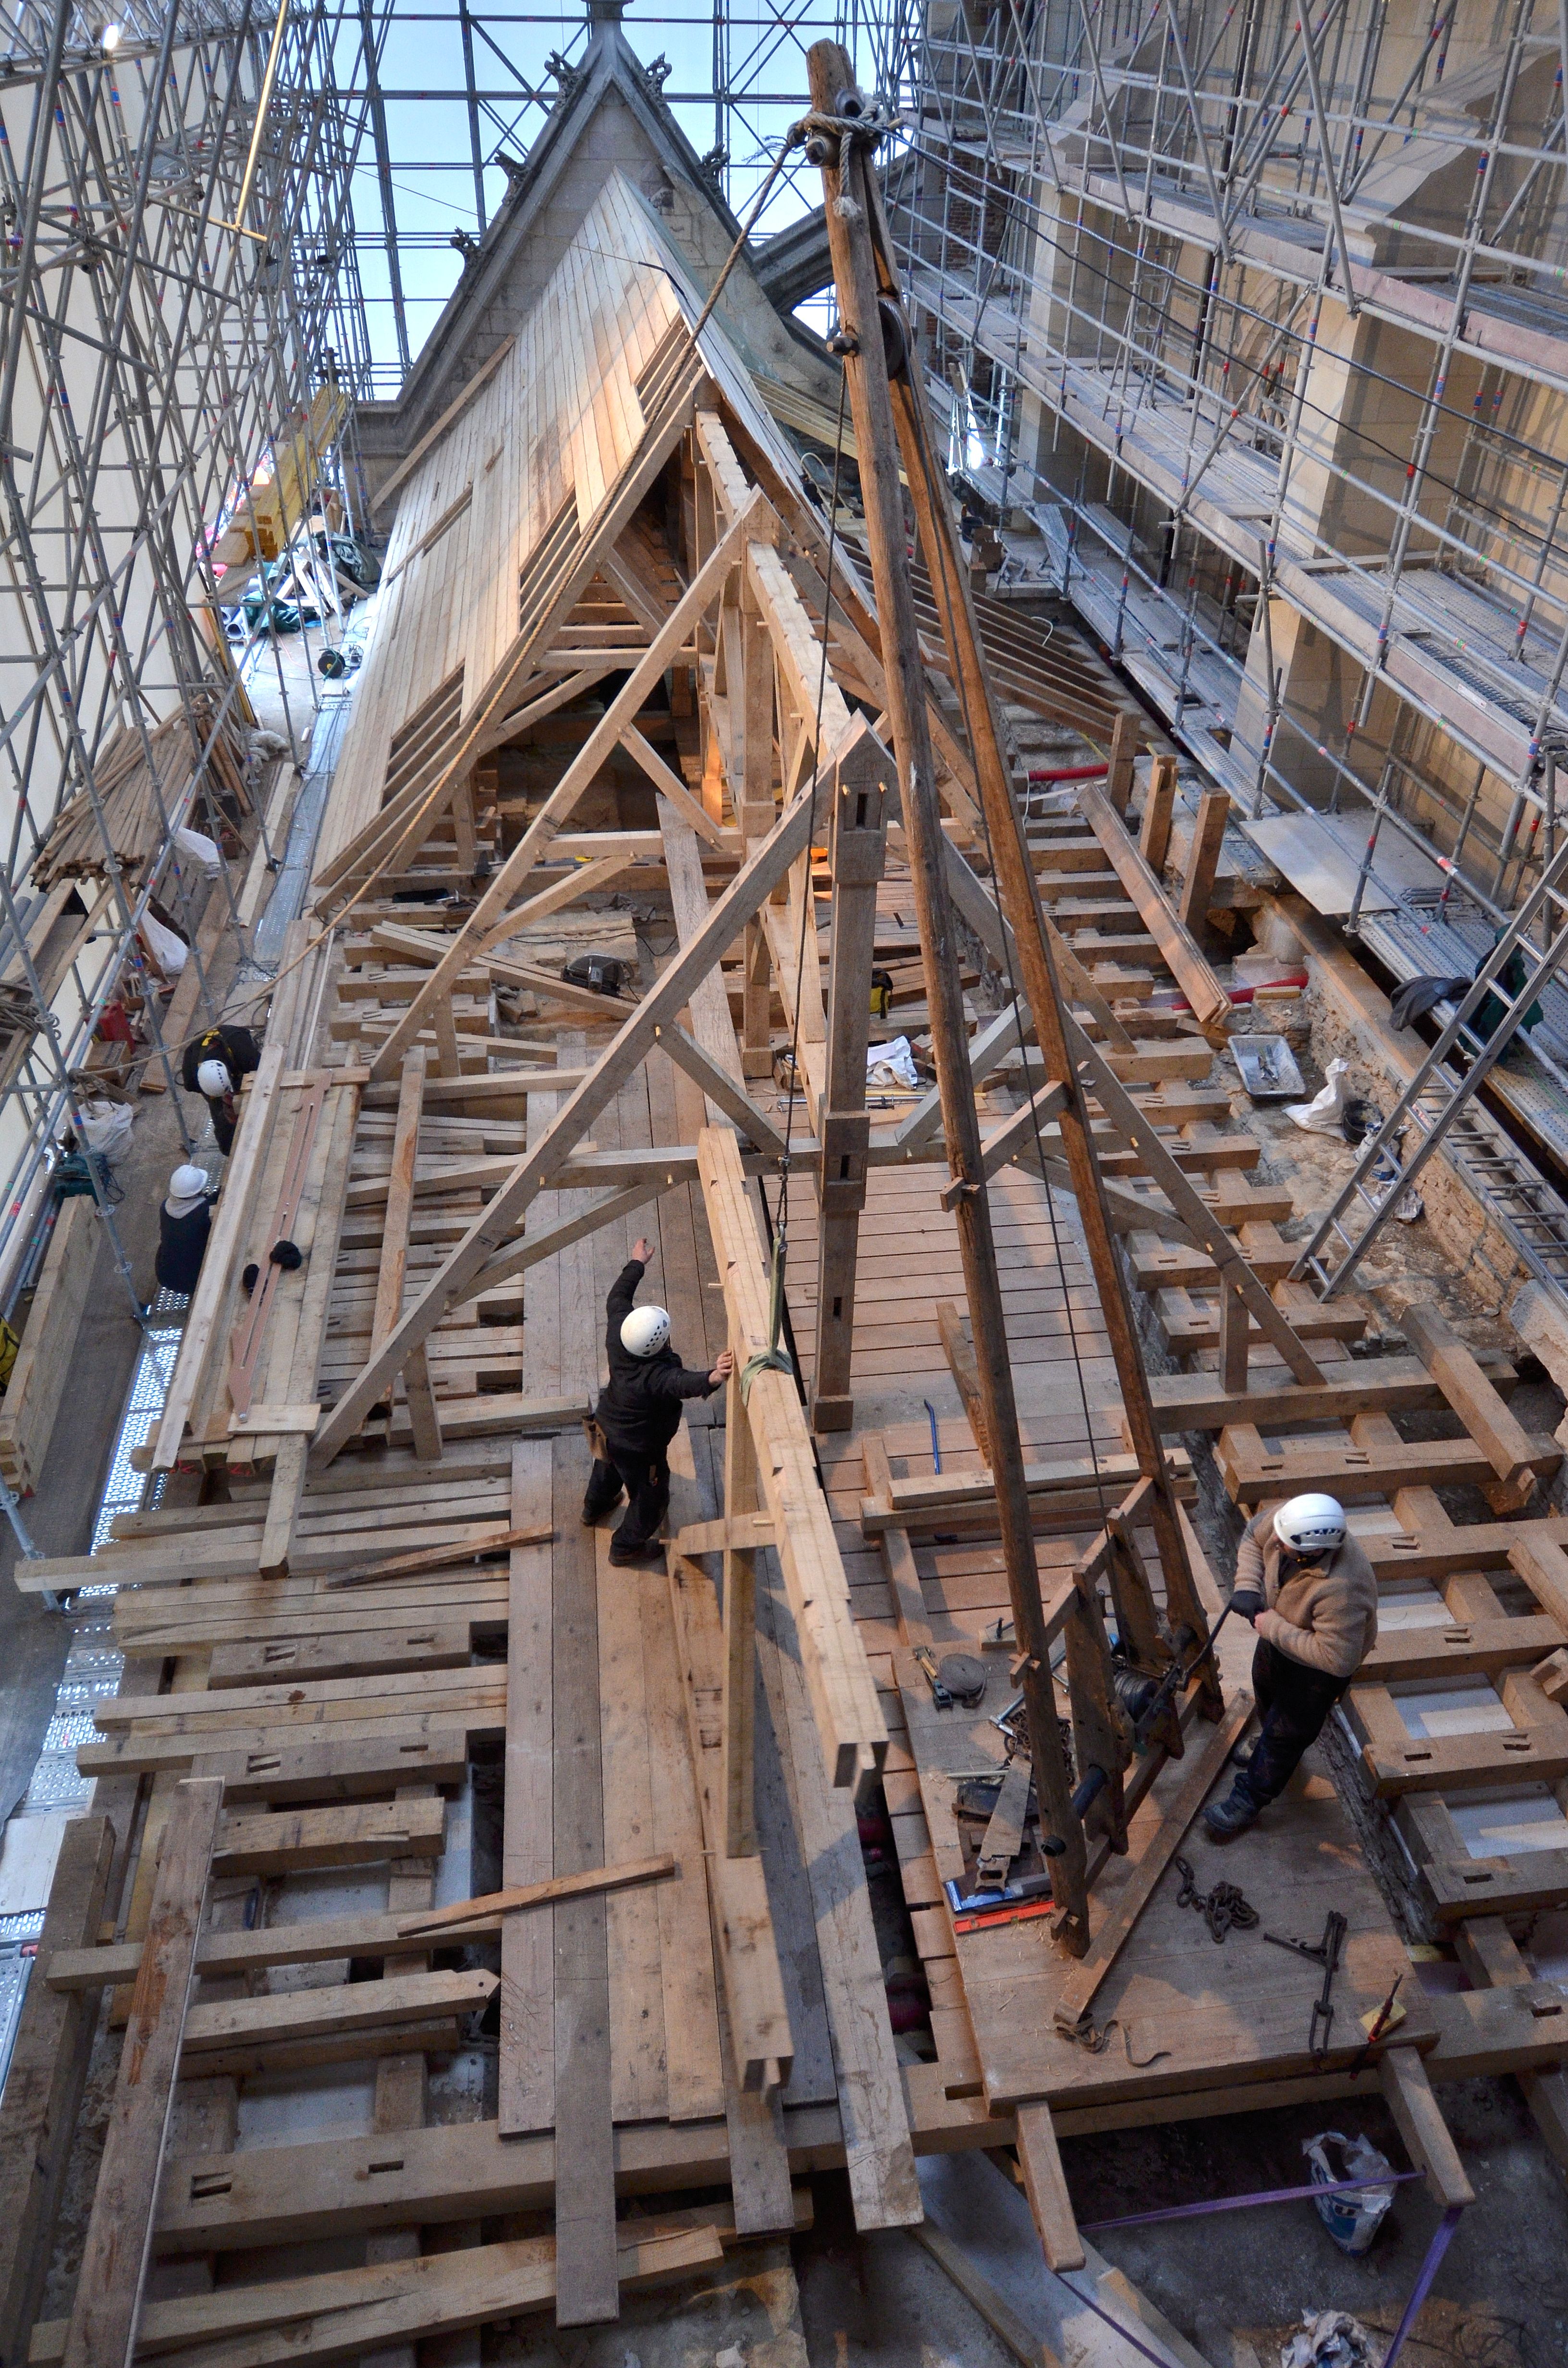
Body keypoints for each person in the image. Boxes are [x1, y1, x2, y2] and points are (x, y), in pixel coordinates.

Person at [1204, 1492, 1379, 1840]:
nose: (1276, 1544)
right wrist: (1247, 1585)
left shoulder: (1344, 1589)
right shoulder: (1291, 1523)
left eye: (1284, 1545)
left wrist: (1271, 1626)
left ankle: (1249, 1798)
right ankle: (1266, 1743)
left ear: (1313, 1550)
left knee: (1286, 1734)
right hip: (1280, 1636)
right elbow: (1255, 1536)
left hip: (1318, 1671)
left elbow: (1337, 1659)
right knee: (1265, 1690)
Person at [582, 1236, 734, 1566]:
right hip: (639, 1448)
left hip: (605, 1425)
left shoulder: (618, 1330)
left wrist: (637, 1263)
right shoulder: (655, 1378)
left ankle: (593, 1508)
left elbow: (618, 1296)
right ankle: (625, 1548)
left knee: (606, 1467)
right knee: (651, 1499)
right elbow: (683, 1383)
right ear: (658, 1343)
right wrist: (715, 1375)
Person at [181, 1020, 259, 1157]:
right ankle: (231, 1153)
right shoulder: (191, 1072)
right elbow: (191, 1087)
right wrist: (224, 1105)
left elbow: (262, 1074)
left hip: (238, 1061)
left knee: (257, 1102)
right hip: (213, 1087)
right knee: (225, 1128)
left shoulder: (243, 1052)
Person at [155, 1164, 218, 1296]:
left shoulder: (165, 1207)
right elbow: (204, 1209)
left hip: (165, 1274)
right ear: (197, 1192)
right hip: (192, 1281)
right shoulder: (203, 1213)